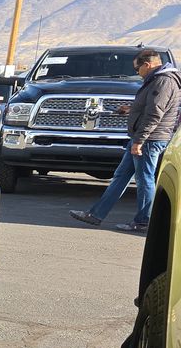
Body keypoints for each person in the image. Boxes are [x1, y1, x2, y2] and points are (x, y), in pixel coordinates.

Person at [70, 48, 180, 234]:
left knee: (145, 179)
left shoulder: (163, 81)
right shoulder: (158, 80)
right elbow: (150, 107)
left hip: (149, 140)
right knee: (121, 177)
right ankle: (96, 215)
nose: (137, 73)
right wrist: (131, 109)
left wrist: (139, 141)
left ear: (147, 64)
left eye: (137, 69)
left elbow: (155, 114)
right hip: (143, 138)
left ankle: (144, 221)